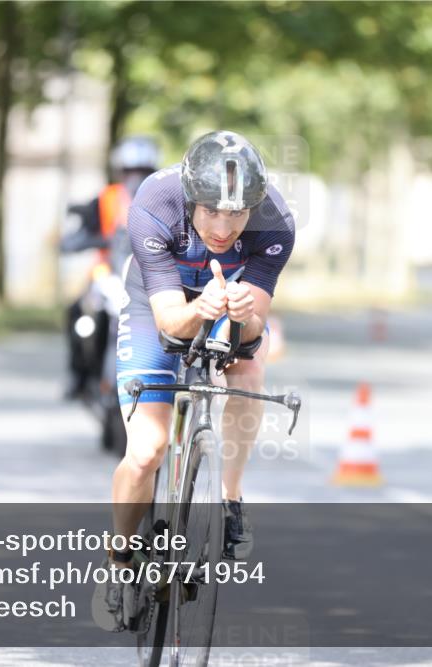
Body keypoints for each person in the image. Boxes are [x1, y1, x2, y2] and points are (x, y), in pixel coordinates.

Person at [91, 130, 296, 631]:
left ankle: (230, 499)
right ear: (190, 199)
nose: (224, 228)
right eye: (210, 212)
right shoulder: (155, 203)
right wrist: (199, 308)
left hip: (227, 300)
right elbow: (168, 321)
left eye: (237, 214)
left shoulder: (276, 221)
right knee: (147, 450)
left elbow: (254, 328)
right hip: (157, 304)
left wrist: (245, 315)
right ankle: (118, 561)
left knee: (250, 365)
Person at [62, 136, 160, 399]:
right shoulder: (107, 198)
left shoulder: (161, 198)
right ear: (120, 172)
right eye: (130, 171)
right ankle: (78, 375)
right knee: (77, 311)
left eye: (143, 171)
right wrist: (86, 240)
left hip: (147, 273)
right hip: (108, 273)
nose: (136, 177)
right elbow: (81, 231)